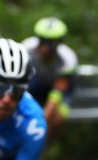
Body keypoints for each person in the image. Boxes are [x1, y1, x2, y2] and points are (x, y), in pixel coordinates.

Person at [22, 16, 78, 144]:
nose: (46, 48)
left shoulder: (67, 59)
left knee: (58, 118)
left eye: (52, 44)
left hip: (59, 88)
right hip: (37, 82)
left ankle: (42, 146)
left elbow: (56, 95)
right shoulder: (26, 48)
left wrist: (41, 126)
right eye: (43, 42)